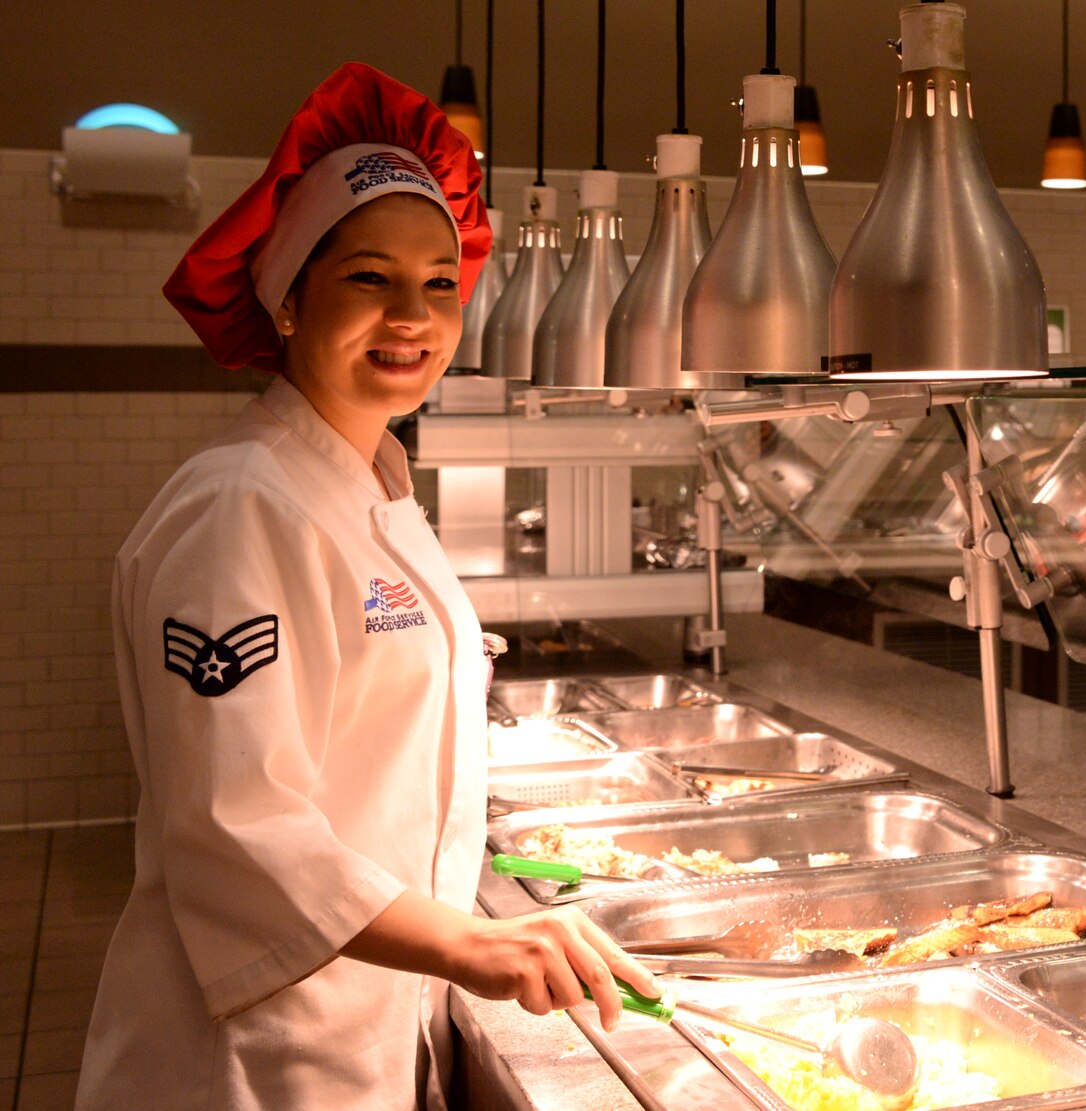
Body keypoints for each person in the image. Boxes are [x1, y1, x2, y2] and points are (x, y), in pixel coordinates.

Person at [76, 63, 658, 1111]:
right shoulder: (240, 504)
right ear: (287, 301)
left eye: (439, 283)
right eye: (368, 278)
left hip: (367, 1012)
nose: (412, 315)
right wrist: (472, 944)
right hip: (256, 1055)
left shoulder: (372, 482)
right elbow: (235, 825)